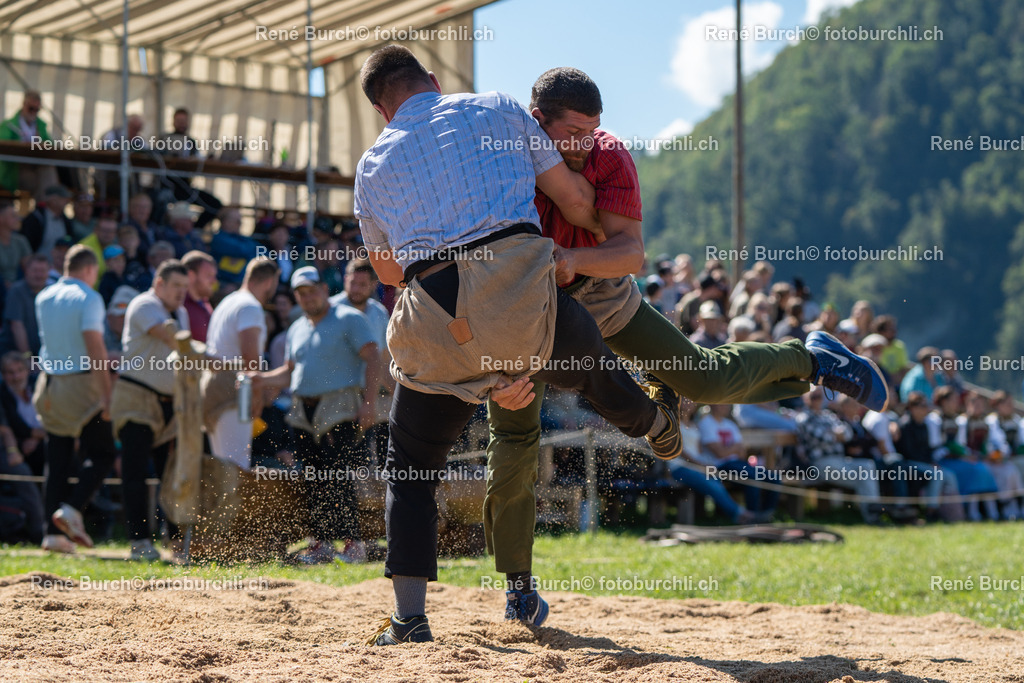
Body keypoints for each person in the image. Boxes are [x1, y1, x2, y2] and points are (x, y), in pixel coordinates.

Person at [484, 66, 890, 626]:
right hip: (526, 310)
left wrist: (575, 260)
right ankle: (518, 586)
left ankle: (813, 356)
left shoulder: (610, 155)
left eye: (592, 128)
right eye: (571, 132)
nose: (584, 144)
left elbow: (629, 253)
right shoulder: (501, 156)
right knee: (512, 438)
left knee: (702, 377)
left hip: (600, 290)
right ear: (538, 123)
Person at [353, 46, 683, 646]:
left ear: (382, 109)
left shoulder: (371, 166)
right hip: (517, 289)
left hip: (435, 313)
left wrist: (480, 367)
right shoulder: (500, 110)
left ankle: (409, 618)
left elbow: (387, 270)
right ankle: (655, 420)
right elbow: (574, 200)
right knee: (588, 360)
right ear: (433, 79)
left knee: (411, 463)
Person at [251, 267, 378, 564]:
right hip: (302, 410)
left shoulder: (350, 318)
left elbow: (373, 357)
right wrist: (261, 379)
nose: (307, 297)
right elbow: (290, 373)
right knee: (313, 477)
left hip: (341, 405)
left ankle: (352, 544)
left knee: (338, 477)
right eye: (301, 293)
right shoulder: (297, 327)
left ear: (324, 288)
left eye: (311, 290)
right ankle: (320, 543)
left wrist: (370, 403)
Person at [33, 245, 116, 553]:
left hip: (50, 384)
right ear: (90, 270)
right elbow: (95, 345)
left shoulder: (43, 296)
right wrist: (107, 395)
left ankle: (51, 534)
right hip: (82, 385)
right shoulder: (90, 297)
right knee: (103, 452)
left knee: (57, 457)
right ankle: (72, 508)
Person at [110, 260, 190, 561]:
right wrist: (215, 361)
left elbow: (182, 355)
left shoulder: (180, 312)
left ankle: (177, 544)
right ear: (159, 284)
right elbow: (174, 341)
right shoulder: (143, 304)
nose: (182, 293)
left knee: (172, 475)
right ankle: (139, 541)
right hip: (136, 397)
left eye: (185, 287)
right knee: (136, 473)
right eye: (176, 286)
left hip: (170, 403)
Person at [203, 258, 278, 468]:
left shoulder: (228, 301)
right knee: (235, 468)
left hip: (213, 385)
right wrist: (257, 395)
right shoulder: (249, 306)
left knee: (221, 466)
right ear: (270, 282)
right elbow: (250, 354)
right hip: (234, 387)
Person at [330, 258, 393, 465]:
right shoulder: (330, 310)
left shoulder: (379, 313)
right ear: (345, 279)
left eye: (362, 285)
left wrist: (397, 394)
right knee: (335, 463)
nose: (356, 289)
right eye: (352, 283)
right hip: (335, 397)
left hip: (367, 396)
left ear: (374, 285)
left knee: (361, 465)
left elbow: (383, 360)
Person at [795, 388, 880, 523]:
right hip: (820, 463)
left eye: (818, 396)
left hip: (840, 460)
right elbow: (821, 437)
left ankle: (873, 513)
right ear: (806, 399)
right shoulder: (803, 418)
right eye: (813, 397)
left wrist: (835, 434)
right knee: (863, 478)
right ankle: (873, 515)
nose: (816, 400)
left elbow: (847, 433)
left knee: (867, 465)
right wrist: (836, 435)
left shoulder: (827, 415)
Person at [156, 107, 222, 228]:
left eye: (184, 121)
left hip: (186, 187)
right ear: (173, 122)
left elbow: (197, 158)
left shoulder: (191, 142)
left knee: (214, 204)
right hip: (168, 185)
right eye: (179, 120)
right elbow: (158, 156)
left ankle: (194, 230)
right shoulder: (164, 138)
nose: (182, 123)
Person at [0, 90, 56, 195]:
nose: (34, 112)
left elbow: (50, 146)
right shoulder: (9, 125)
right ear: (24, 105)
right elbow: (3, 144)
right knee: (42, 180)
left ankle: (45, 205)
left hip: (36, 165)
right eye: (31, 108)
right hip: (15, 168)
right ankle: (45, 205)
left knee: (47, 170)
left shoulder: (41, 126)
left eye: (37, 109)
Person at [0, 351, 47, 477]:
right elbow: (12, 425)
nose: (16, 377)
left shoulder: (38, 385)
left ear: (27, 370)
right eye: (10, 372)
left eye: (20, 370)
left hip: (45, 436)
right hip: (20, 443)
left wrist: (37, 438)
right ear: (3, 375)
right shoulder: (3, 395)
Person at [0, 254, 49, 356]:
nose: (39, 275)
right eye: (35, 270)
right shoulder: (16, 291)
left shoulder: (51, 292)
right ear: (26, 271)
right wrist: (27, 358)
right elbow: (17, 326)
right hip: (14, 356)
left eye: (42, 271)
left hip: (43, 355)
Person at [209, 207, 259, 286]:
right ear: (226, 222)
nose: (240, 224)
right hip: (223, 284)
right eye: (237, 221)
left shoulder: (242, 239)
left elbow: (263, 252)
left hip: (241, 283)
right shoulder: (219, 239)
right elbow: (242, 250)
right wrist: (251, 252)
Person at [21, 185, 73, 257]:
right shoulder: (35, 218)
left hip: (60, 266)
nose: (67, 202)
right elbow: (27, 246)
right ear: (53, 200)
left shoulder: (65, 220)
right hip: (39, 266)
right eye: (63, 198)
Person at [181, 250, 217, 343]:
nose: (214, 281)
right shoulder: (178, 306)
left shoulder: (205, 303)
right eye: (209, 276)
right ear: (191, 275)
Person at [0, 200, 32, 285]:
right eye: (13, 216)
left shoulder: (21, 241)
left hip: (17, 287)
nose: (18, 219)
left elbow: (29, 269)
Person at [78, 216, 119, 280]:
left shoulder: (115, 247)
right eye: (104, 230)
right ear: (95, 230)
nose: (107, 234)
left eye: (111, 231)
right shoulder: (84, 248)